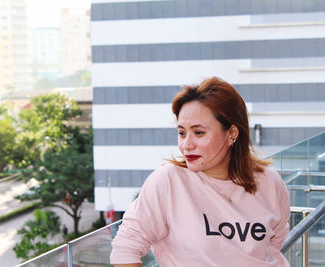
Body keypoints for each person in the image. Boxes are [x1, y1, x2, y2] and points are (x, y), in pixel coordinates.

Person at [110, 77, 290, 266]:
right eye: (182, 133)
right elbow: (125, 248)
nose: (186, 145)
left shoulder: (269, 181)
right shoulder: (169, 181)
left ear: (232, 134)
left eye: (199, 133)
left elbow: (274, 243)